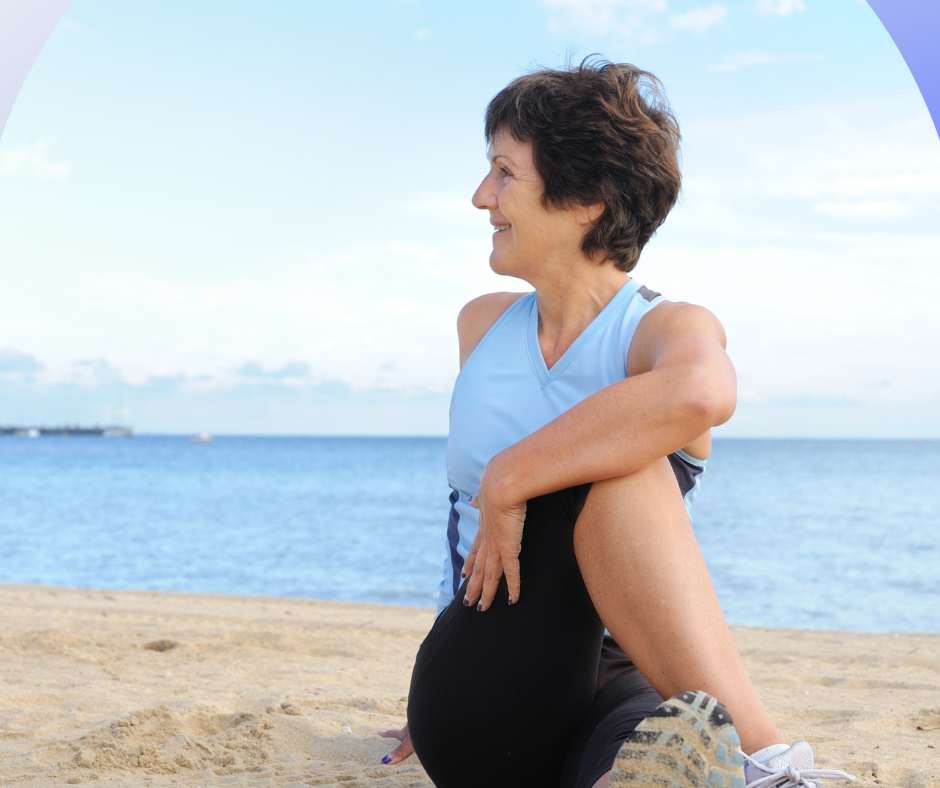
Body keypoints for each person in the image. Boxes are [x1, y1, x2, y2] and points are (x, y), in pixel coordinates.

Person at [379, 59, 854, 788]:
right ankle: (773, 770)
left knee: (672, 740)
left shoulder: (663, 331)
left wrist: (514, 473)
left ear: (588, 200)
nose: (482, 197)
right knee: (624, 467)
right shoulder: (482, 326)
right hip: (492, 671)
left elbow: (701, 392)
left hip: (615, 680)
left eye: (505, 172)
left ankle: (730, 769)